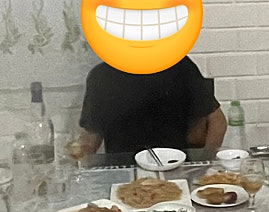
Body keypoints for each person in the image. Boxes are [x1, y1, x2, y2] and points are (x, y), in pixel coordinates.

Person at [69, 55, 226, 158]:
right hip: (121, 173)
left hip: (175, 168)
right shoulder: (101, 75)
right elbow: (91, 138)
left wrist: (204, 166)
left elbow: (218, 123)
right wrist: (75, 154)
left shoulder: (181, 66)